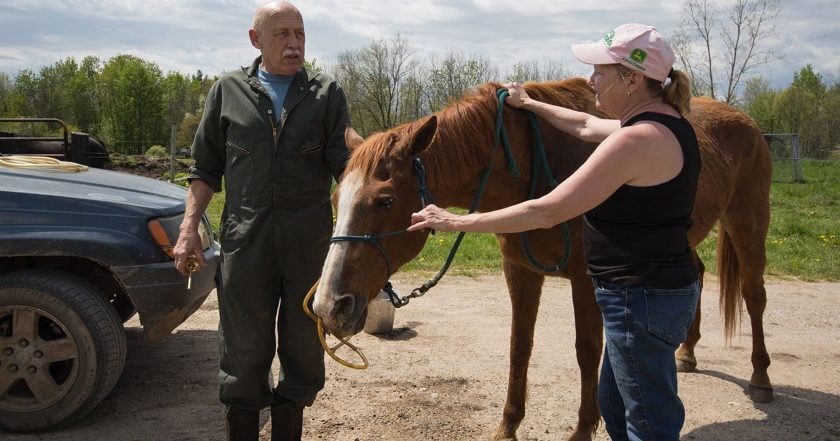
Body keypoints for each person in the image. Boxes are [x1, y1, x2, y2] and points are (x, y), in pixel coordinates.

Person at [409, 23, 700, 441]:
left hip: (639, 300)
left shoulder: (635, 141)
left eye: (601, 71)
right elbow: (583, 125)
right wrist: (531, 104)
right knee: (620, 411)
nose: (589, 79)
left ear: (633, 79)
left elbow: (549, 211)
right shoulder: (664, 123)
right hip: (651, 294)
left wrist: (458, 221)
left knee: (648, 424)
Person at [172, 2, 350, 440]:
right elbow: (204, 169)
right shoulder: (228, 91)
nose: (294, 44)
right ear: (256, 39)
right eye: (282, 35)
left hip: (307, 249)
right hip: (244, 244)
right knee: (243, 352)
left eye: (300, 34)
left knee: (304, 351)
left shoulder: (325, 94)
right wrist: (188, 228)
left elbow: (347, 169)